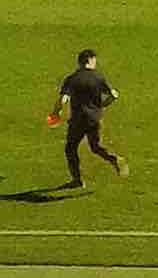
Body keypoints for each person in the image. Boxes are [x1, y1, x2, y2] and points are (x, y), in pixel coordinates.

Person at [51, 50, 124, 187]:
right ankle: (114, 159)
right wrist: (103, 105)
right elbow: (112, 95)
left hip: (78, 120)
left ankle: (77, 180)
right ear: (90, 60)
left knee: (70, 148)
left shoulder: (72, 79)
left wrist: (56, 113)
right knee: (96, 147)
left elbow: (63, 99)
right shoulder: (99, 77)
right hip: (95, 119)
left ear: (80, 62)